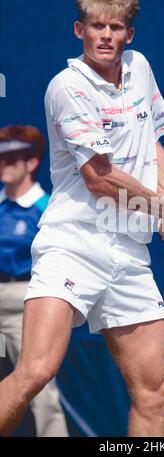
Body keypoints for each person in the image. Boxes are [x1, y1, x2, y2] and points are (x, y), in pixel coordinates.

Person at [0, 0, 164, 437]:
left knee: (154, 392)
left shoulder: (140, 68)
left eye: (115, 27)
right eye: (96, 26)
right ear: (79, 30)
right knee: (35, 370)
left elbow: (154, 145)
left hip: (128, 253)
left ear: (130, 35)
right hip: (73, 245)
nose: (106, 35)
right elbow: (100, 180)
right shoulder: (66, 87)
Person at [0, 125, 69, 437]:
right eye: (0, 158)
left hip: (24, 302)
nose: (3, 164)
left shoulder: (47, 209)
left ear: (32, 163)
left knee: (38, 383)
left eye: (12, 158)